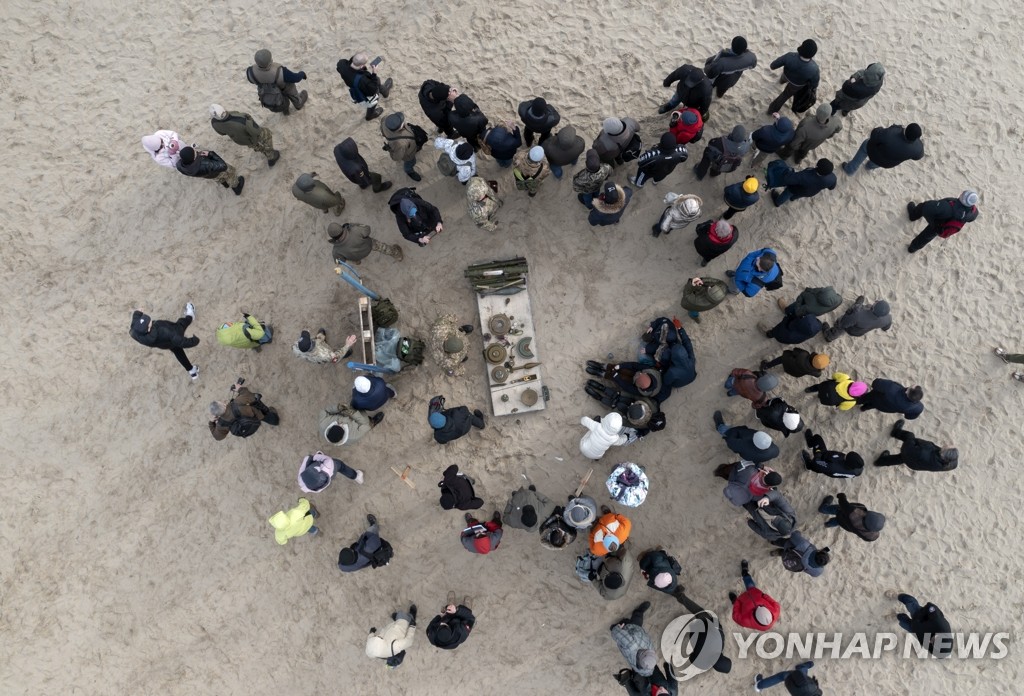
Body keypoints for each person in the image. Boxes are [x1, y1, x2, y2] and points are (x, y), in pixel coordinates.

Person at [129, 303, 200, 381]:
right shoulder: (164, 332)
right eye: (149, 322)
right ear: (148, 329)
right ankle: (190, 315)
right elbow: (182, 342)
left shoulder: (135, 332)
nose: (150, 321)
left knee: (178, 351)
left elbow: (136, 317)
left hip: (165, 344)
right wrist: (194, 340)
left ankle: (191, 370)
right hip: (173, 332)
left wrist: (138, 312)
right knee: (181, 323)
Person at [906, 189, 980, 253]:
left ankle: (913, 215)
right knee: (926, 237)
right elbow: (971, 219)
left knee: (922, 207)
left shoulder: (947, 207)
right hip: (942, 228)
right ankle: (912, 248)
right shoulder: (974, 213)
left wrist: (926, 206)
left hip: (936, 221)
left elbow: (927, 208)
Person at [209, 104, 279, 166]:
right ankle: (271, 157)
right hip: (251, 136)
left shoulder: (214, 123)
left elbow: (222, 133)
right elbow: (256, 132)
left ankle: (263, 151)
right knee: (267, 134)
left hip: (241, 140)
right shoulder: (241, 120)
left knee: (256, 146)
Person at [842, 122, 924, 176]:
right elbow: (918, 157)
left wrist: (880, 128)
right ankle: (869, 166)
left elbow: (875, 134)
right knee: (877, 162)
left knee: (865, 144)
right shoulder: (918, 148)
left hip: (874, 152)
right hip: (887, 163)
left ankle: (850, 169)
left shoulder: (892, 133)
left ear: (906, 130)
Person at [875, 419, 959, 471]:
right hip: (915, 464)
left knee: (909, 436)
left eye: (946, 447)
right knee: (902, 458)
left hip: (910, 452)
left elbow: (909, 447)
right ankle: (880, 462)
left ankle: (895, 432)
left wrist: (913, 441)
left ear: (943, 453)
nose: (946, 444)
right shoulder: (950, 464)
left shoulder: (925, 451)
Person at [208, 379, 280, 440]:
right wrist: (240, 389)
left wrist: (211, 422)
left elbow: (218, 437)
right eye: (221, 402)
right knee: (258, 409)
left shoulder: (221, 424)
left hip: (246, 428)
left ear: (216, 415)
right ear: (224, 405)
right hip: (255, 417)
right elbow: (250, 395)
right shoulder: (237, 402)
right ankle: (274, 420)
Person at [778, 102, 843, 164]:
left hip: (802, 142)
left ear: (817, 111)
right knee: (804, 151)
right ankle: (798, 160)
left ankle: (784, 156)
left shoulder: (806, 124)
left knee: (792, 147)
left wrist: (794, 147)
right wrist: (830, 135)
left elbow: (794, 144)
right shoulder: (835, 121)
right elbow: (839, 127)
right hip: (812, 145)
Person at [247, 49, 307, 114]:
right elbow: (295, 78)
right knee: (290, 87)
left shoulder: (250, 72)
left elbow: (252, 81)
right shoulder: (281, 71)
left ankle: (285, 110)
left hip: (269, 93)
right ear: (270, 61)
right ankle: (298, 103)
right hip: (283, 88)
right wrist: (302, 74)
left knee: (280, 97)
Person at [767, 39, 820, 114]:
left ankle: (781, 81)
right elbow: (814, 84)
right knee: (784, 96)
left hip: (786, 75)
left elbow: (773, 65)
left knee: (783, 78)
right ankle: (772, 110)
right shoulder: (814, 69)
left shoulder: (790, 56)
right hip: (797, 85)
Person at [336, 52, 392, 120]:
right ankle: (370, 116)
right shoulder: (363, 79)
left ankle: (385, 91)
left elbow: (340, 67)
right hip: (365, 91)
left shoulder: (341, 64)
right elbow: (373, 91)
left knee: (377, 81)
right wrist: (374, 73)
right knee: (376, 85)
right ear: (362, 66)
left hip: (353, 85)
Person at [610, 601, 657, 678]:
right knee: (636, 621)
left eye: (648, 652)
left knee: (635, 619)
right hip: (637, 632)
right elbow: (648, 672)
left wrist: (617, 628)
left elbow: (616, 633)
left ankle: (636, 613)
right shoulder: (644, 668)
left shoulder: (631, 644)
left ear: (643, 654)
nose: (651, 650)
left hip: (631, 628)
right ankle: (637, 613)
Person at [729, 559, 780, 631]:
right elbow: (776, 604)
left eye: (756, 609)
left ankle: (734, 600)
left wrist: (736, 602)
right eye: (762, 606)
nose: (758, 606)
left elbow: (736, 616)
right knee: (750, 584)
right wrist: (764, 596)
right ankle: (744, 572)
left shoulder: (745, 621)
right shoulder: (775, 612)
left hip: (743, 603)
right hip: (755, 593)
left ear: (755, 617)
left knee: (736, 603)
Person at [713, 411, 779, 463]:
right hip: (753, 457)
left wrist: (731, 432)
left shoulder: (743, 444)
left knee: (727, 431)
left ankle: (720, 427)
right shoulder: (774, 450)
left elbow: (731, 442)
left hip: (741, 440)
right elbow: (776, 453)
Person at [381, 112, 428, 182]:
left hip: (407, 144)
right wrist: (391, 150)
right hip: (408, 154)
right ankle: (409, 171)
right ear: (399, 128)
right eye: (402, 122)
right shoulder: (400, 143)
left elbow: (382, 131)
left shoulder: (385, 120)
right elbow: (396, 157)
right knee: (411, 162)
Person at [176, 146, 243, 195]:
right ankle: (236, 187)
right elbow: (223, 166)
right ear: (193, 158)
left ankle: (225, 184)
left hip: (208, 175)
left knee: (217, 178)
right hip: (216, 171)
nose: (196, 151)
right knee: (231, 172)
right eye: (195, 152)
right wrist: (210, 154)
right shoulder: (205, 164)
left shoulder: (180, 166)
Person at [365, 604, 416, 668]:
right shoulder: (394, 646)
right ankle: (412, 616)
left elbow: (370, 640)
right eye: (378, 637)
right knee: (401, 614)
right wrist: (412, 627)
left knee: (395, 620)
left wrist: (371, 633)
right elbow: (409, 641)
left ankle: (397, 619)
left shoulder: (371, 651)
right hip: (401, 628)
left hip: (391, 630)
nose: (378, 636)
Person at [821, 296, 891, 342]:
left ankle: (829, 336)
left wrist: (851, 311)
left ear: (874, 308)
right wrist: (884, 327)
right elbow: (887, 325)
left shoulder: (858, 315)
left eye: (877, 303)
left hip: (852, 329)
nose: (876, 301)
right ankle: (858, 304)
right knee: (863, 307)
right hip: (860, 331)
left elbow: (843, 324)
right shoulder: (887, 318)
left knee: (840, 325)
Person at [770, 158, 836, 207]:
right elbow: (832, 187)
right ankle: (793, 198)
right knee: (799, 194)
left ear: (817, 167)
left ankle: (777, 202)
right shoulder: (832, 177)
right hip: (810, 192)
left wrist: (788, 172)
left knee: (787, 193)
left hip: (795, 188)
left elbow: (789, 179)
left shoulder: (806, 176)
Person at [328, 222, 403, 264]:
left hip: (356, 257)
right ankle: (397, 255)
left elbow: (340, 262)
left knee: (352, 258)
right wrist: (353, 225)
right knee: (383, 247)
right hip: (368, 246)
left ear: (333, 237)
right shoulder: (355, 230)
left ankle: (357, 262)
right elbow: (367, 229)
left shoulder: (336, 251)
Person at [818, 494, 885, 541]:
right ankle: (828, 524)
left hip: (843, 515)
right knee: (838, 521)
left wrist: (841, 496)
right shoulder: (872, 535)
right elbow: (868, 538)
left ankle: (823, 508)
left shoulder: (854, 514)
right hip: (847, 526)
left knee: (837, 510)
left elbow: (844, 504)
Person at [319, 402, 384, 446]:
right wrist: (353, 414)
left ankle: (352, 406)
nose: (341, 423)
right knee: (367, 423)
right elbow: (365, 425)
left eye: (337, 424)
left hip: (342, 412)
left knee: (352, 405)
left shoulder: (322, 424)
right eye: (342, 427)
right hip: (357, 419)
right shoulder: (354, 436)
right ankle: (372, 422)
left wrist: (337, 408)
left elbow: (325, 411)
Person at [298, 451, 364, 491]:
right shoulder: (326, 467)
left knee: (324, 462)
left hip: (329, 477)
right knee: (341, 466)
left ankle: (319, 458)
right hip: (331, 468)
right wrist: (316, 457)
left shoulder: (304, 484)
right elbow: (328, 460)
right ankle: (356, 476)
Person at [859, 379, 924, 419]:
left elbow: (875, 383)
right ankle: (863, 408)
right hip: (885, 408)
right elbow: (908, 417)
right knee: (872, 405)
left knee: (865, 399)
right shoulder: (919, 407)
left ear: (907, 392)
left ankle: (857, 402)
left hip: (875, 397)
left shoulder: (892, 388)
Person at [753, 661, 819, 693]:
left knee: (782, 676)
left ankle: (759, 685)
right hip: (795, 691)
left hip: (797, 684)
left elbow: (802, 681)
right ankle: (802, 667)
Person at [760, 348, 829, 379]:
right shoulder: (816, 372)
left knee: (782, 358)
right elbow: (818, 375)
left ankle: (766, 366)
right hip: (794, 373)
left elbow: (794, 350)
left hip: (787, 361)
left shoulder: (804, 353)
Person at [777, 286, 842, 318]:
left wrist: (805, 293)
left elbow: (798, 311)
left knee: (798, 308)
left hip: (809, 308)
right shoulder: (839, 299)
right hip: (818, 312)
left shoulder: (809, 299)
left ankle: (786, 310)